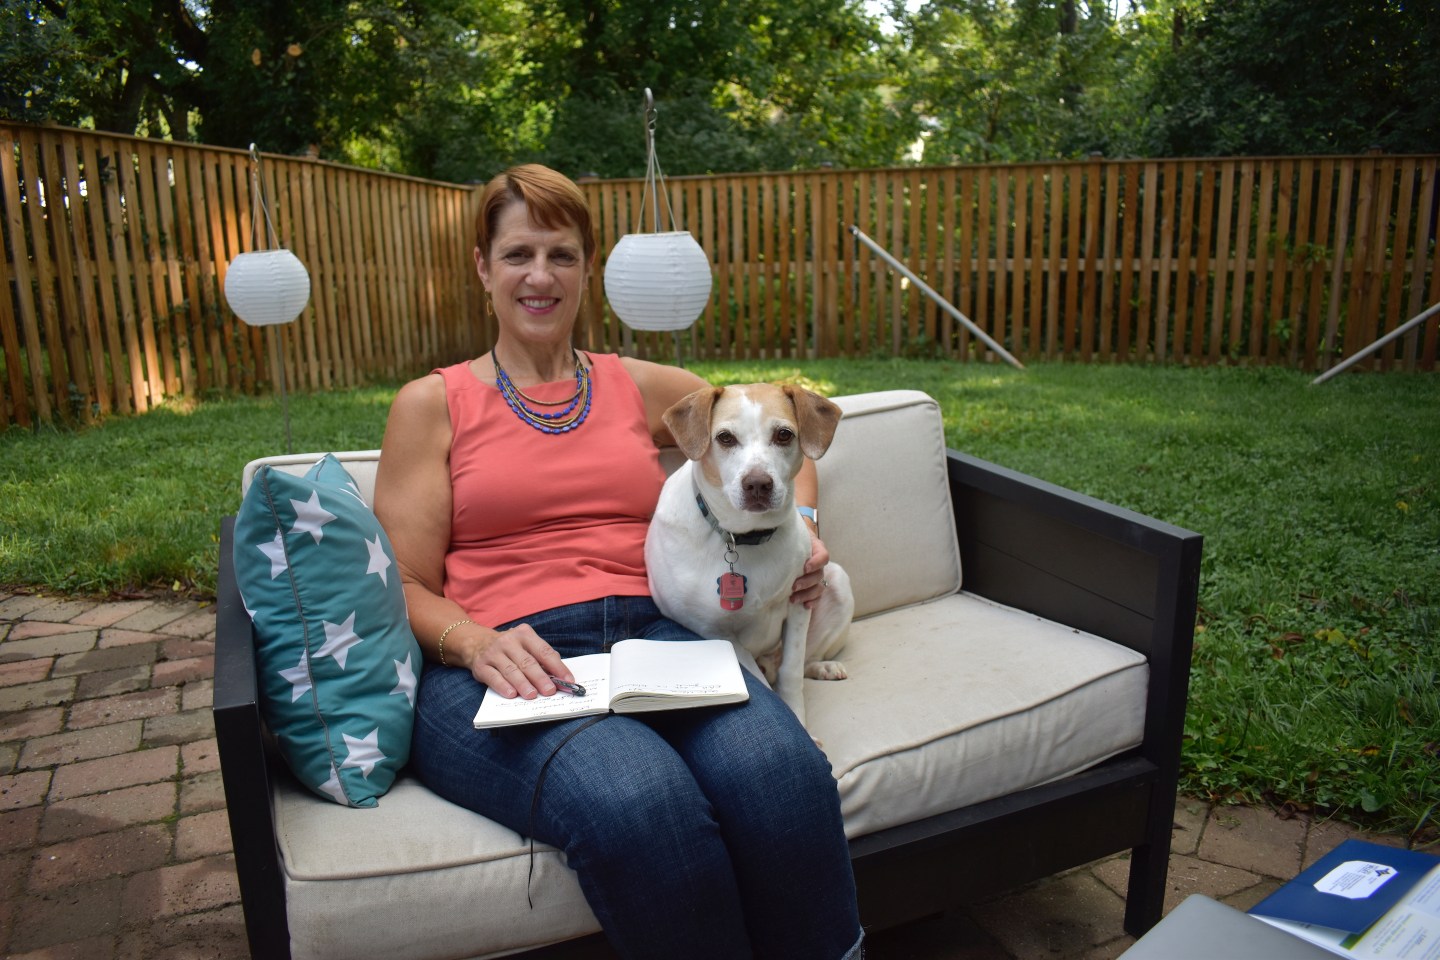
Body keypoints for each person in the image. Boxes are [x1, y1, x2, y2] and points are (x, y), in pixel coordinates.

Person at [372, 163, 863, 960]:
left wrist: (803, 526)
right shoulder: (432, 404)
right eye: (518, 254)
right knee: (642, 805)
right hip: (508, 658)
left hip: (657, 637)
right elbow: (403, 584)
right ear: (483, 267)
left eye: (561, 255)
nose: (540, 276)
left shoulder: (634, 384)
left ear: (586, 269)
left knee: (784, 777)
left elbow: (771, 435)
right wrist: (475, 642)